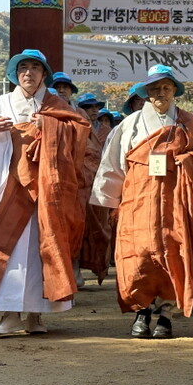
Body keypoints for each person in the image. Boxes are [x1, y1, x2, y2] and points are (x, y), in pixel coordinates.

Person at [91, 65, 193, 339]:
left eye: (166, 87)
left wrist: (186, 160)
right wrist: (111, 203)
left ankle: (166, 312)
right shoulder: (129, 125)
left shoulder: (191, 125)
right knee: (139, 256)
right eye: (154, 88)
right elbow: (112, 165)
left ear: (175, 91)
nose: (160, 93)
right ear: (146, 93)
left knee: (175, 253)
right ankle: (142, 310)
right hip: (138, 202)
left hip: (177, 201)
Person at [0, 50, 91, 336]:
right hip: (10, 185)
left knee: (43, 248)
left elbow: (80, 132)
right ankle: (10, 315)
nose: (29, 72)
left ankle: (37, 315)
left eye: (35, 68)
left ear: (44, 75)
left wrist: (50, 126)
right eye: (23, 68)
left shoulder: (57, 106)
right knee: (10, 249)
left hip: (48, 188)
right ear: (15, 74)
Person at [76, 92, 113, 286]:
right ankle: (75, 269)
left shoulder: (107, 131)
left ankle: (99, 263)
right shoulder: (75, 127)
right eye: (88, 107)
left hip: (99, 183)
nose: (93, 110)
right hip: (77, 184)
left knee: (99, 226)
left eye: (95, 107)